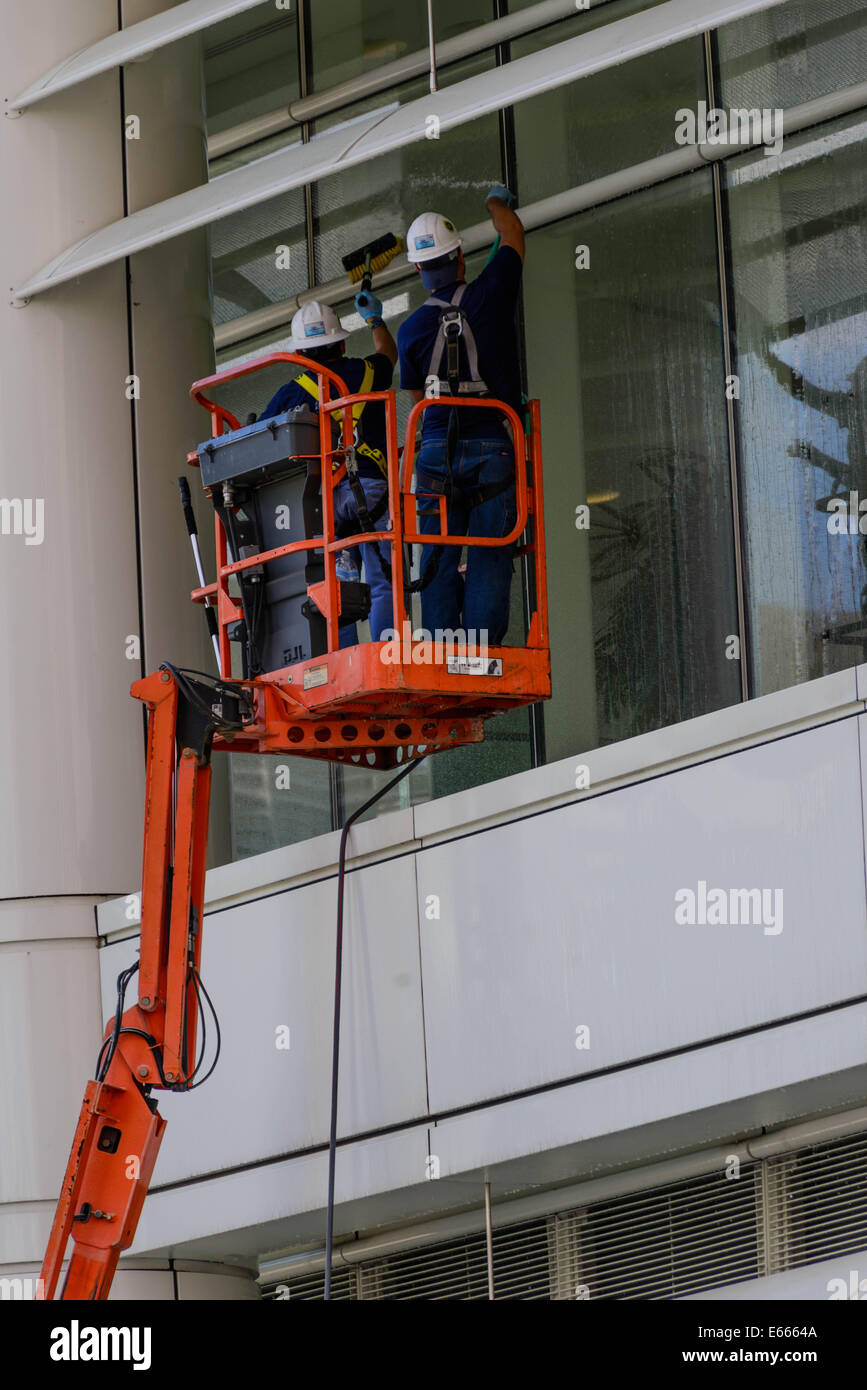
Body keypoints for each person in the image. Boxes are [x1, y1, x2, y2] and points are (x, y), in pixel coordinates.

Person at [397, 188, 525, 648]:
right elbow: (511, 233)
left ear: (417, 270)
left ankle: (441, 647)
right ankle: (481, 645)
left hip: (433, 454)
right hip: (493, 444)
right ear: (460, 259)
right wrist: (495, 202)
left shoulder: (410, 330)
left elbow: (419, 399)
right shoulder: (492, 290)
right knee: (491, 551)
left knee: (436, 554)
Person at [260, 295, 397, 645]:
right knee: (384, 581)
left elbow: (258, 436)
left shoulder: (291, 394)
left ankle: (345, 655)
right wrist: (374, 319)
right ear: (341, 342)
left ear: (300, 354)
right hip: (373, 490)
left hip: (326, 498)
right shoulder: (368, 372)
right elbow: (388, 353)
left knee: (339, 583)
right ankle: (386, 650)